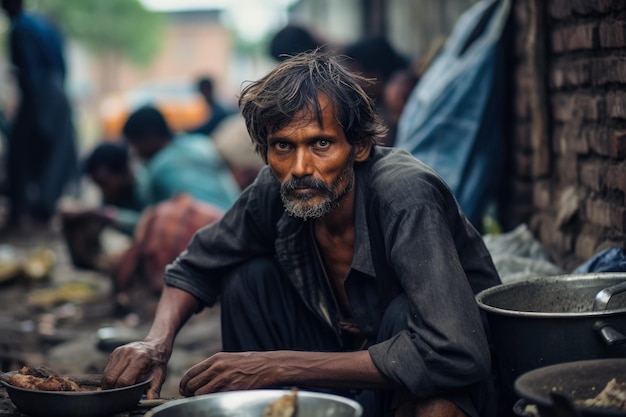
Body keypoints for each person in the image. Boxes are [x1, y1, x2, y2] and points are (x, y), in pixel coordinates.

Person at [102, 50, 501, 417]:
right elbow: (194, 267)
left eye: (321, 144)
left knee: (403, 317)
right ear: (264, 151)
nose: (300, 167)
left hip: (434, 387)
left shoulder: (404, 194)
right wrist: (155, 343)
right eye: (282, 147)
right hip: (346, 372)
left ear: (358, 147)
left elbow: (455, 353)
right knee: (248, 282)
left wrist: (275, 365)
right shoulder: (275, 190)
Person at [1, 0, 78, 225]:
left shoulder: (20, 28)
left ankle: (29, 210)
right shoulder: (43, 23)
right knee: (54, 152)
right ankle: (40, 207)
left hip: (40, 95)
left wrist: (30, 103)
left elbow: (28, 71)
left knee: (22, 150)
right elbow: (61, 64)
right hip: (57, 92)